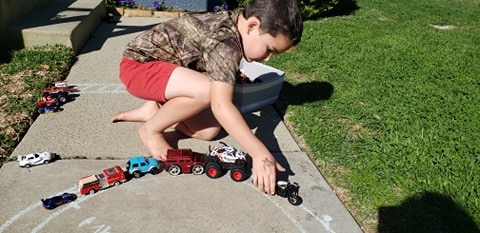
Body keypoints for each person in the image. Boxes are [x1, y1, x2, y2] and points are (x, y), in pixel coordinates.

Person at [111, 0, 303, 195]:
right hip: (138, 67)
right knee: (207, 90)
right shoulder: (225, 42)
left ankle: (154, 109)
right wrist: (260, 153)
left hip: (163, 72)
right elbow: (222, 105)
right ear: (253, 26)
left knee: (208, 132)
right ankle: (151, 129)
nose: (268, 58)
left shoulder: (234, 28)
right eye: (269, 49)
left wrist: (231, 77)